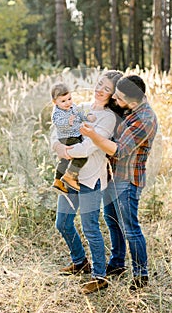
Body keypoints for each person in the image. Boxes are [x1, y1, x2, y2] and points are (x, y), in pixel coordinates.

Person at [80, 75, 158, 291]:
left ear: (133, 101)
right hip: (112, 176)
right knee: (112, 220)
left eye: (119, 97)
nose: (114, 97)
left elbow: (120, 151)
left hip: (128, 179)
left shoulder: (145, 119)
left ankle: (141, 274)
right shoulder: (129, 108)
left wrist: (94, 136)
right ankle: (117, 263)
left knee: (130, 227)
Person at [52, 70, 123, 294]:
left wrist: (66, 151)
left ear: (113, 95)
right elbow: (55, 131)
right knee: (62, 223)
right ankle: (80, 261)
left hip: (91, 178)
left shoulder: (109, 118)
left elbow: (88, 147)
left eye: (107, 88)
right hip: (69, 176)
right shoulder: (79, 106)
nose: (100, 90)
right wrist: (58, 147)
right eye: (99, 84)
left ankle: (99, 276)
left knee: (90, 227)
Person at [50, 82, 96, 194]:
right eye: (63, 101)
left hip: (76, 135)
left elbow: (80, 113)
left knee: (64, 161)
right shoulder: (57, 112)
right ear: (55, 102)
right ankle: (70, 176)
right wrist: (68, 122)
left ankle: (57, 181)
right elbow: (57, 123)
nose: (68, 103)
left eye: (69, 99)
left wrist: (88, 116)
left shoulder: (73, 107)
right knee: (81, 156)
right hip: (67, 138)